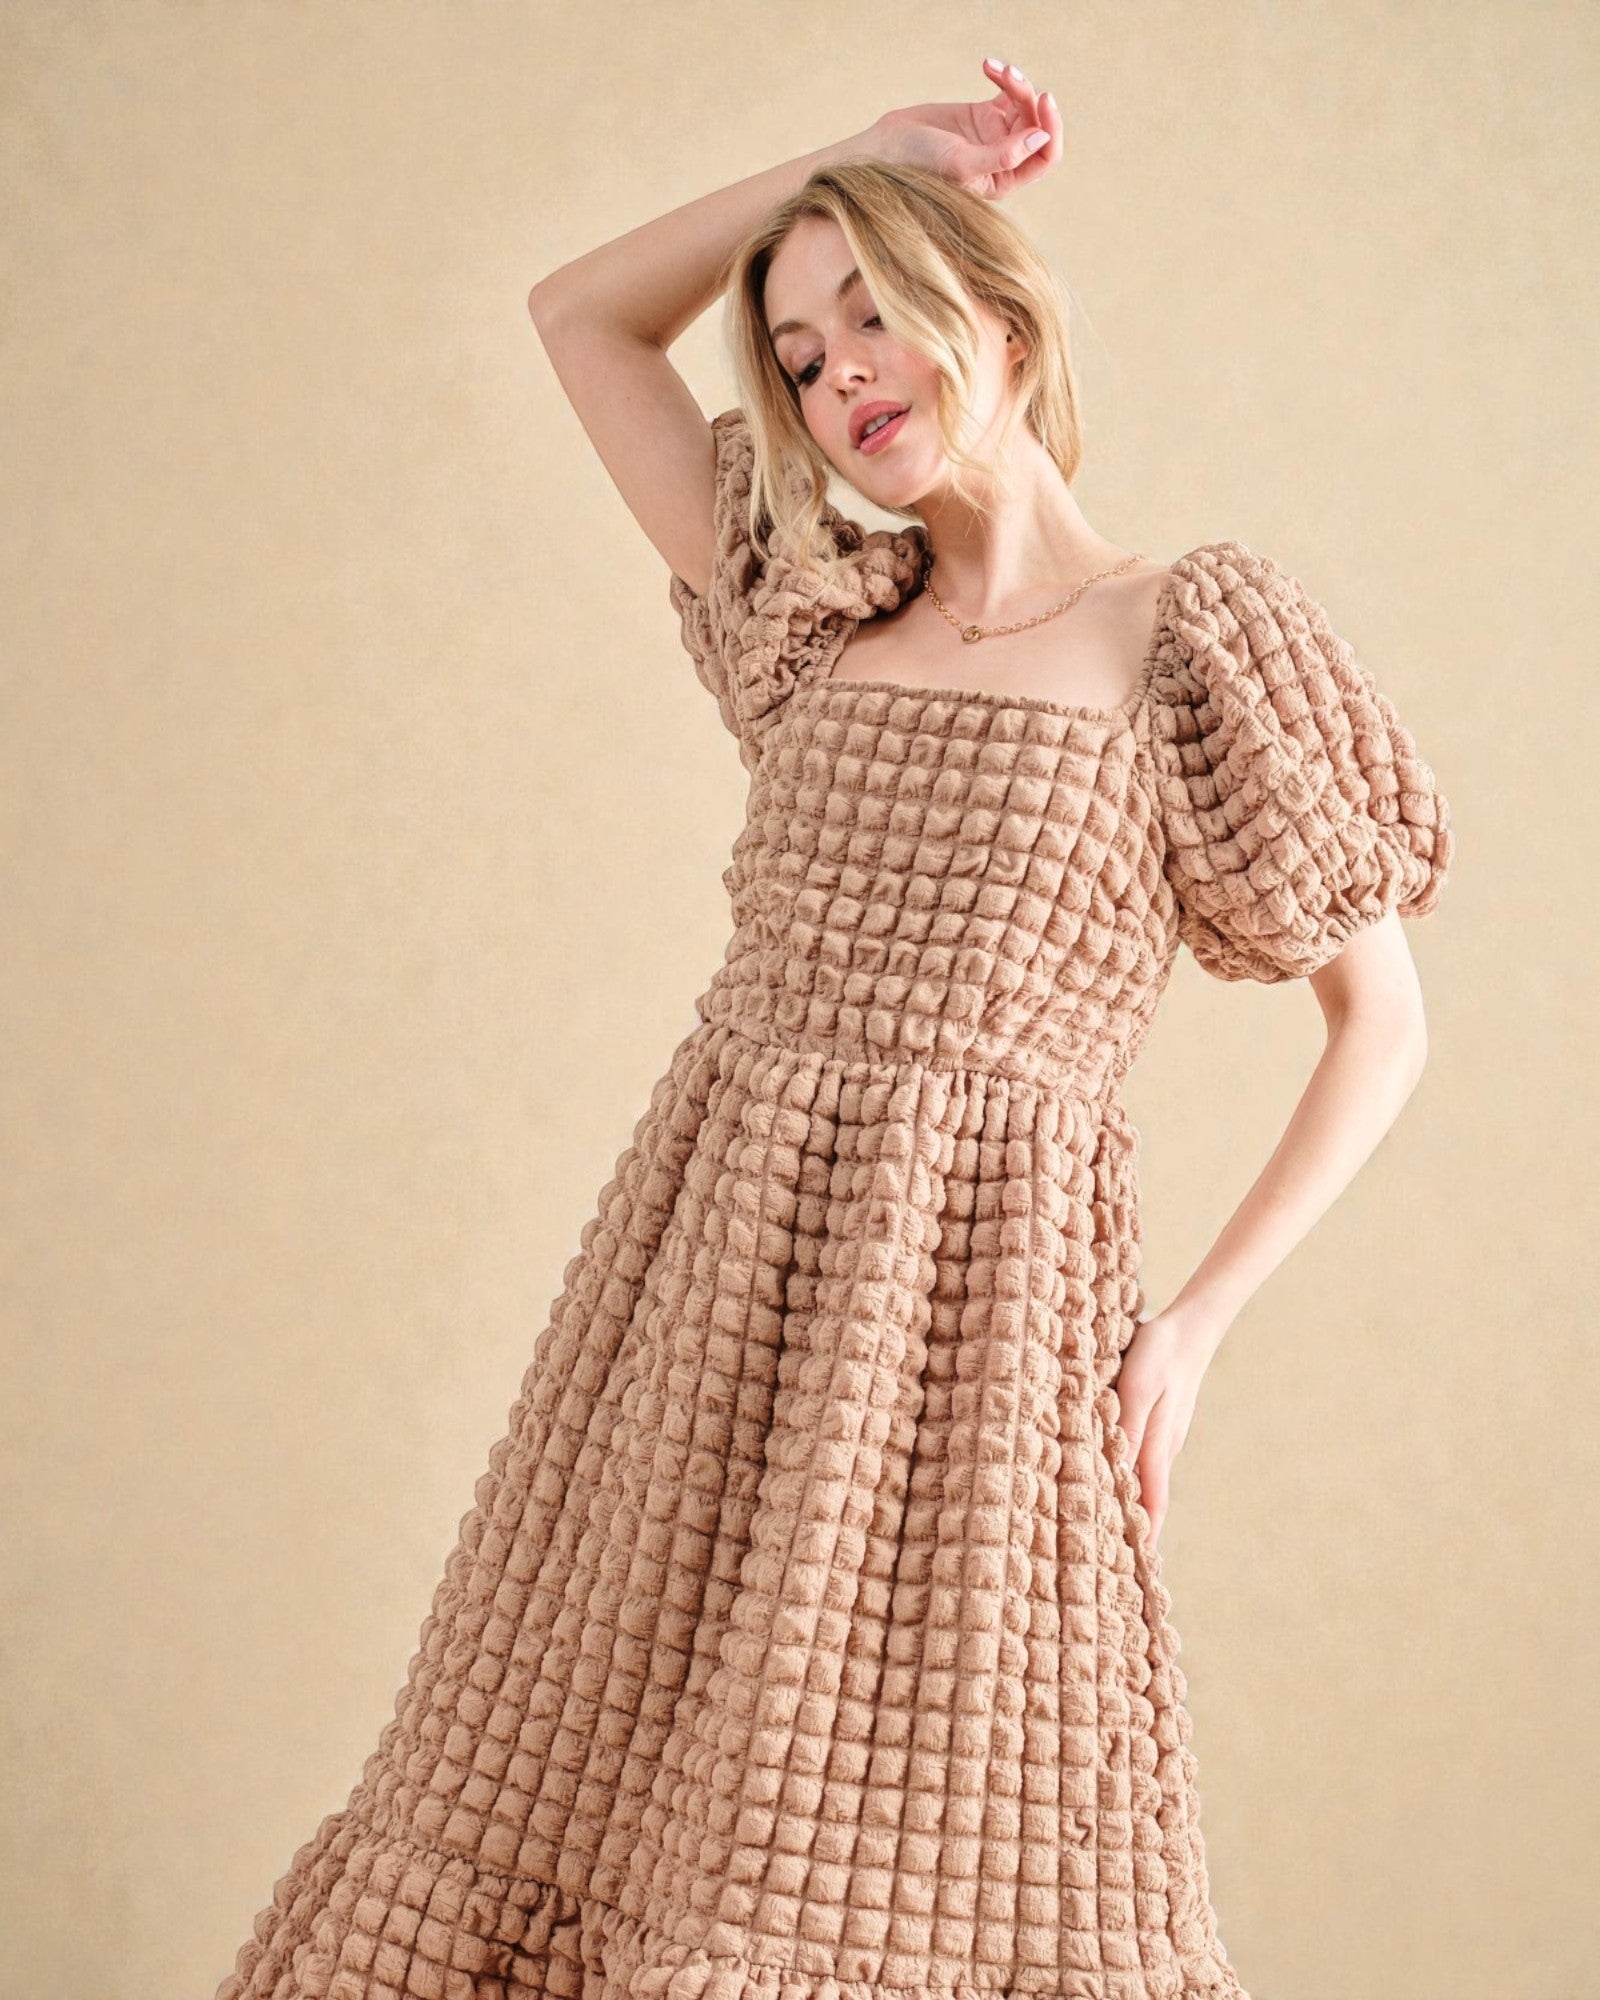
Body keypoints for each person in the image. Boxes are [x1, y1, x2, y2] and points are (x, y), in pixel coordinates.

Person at [215, 57, 1453, 2000]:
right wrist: (841, 169)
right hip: (697, 1300)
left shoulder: (1188, 635)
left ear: (1004, 311)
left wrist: (1190, 1325)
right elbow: (578, 317)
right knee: (566, 1778)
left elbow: (1376, 1026)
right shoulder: (804, 607)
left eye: (870, 308)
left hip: (972, 1332)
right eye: (792, 356)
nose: (832, 373)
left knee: (901, 1858)